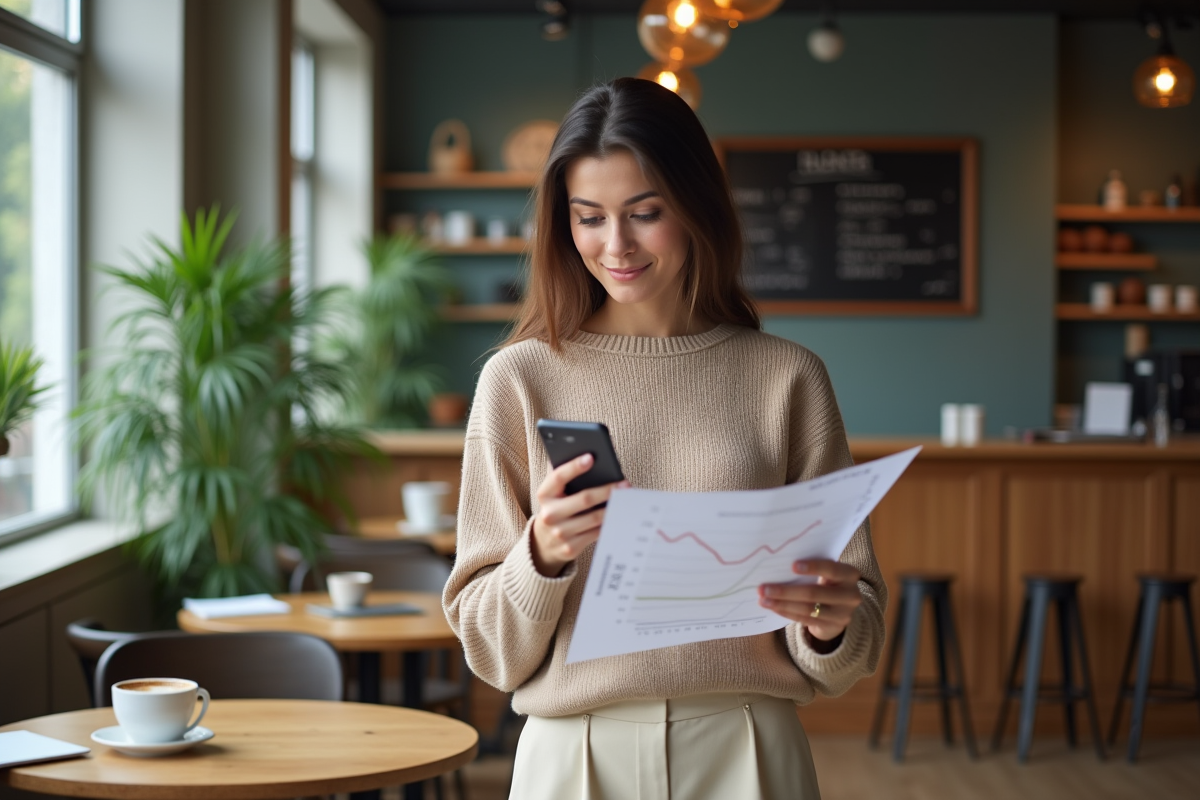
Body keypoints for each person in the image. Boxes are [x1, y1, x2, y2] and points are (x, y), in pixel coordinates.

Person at [442, 77, 887, 799]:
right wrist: (541, 555)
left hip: (747, 746)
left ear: (697, 208)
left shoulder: (788, 379)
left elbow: (854, 632)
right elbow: (488, 653)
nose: (614, 245)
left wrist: (830, 625)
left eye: (645, 214)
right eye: (588, 218)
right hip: (573, 755)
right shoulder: (518, 381)